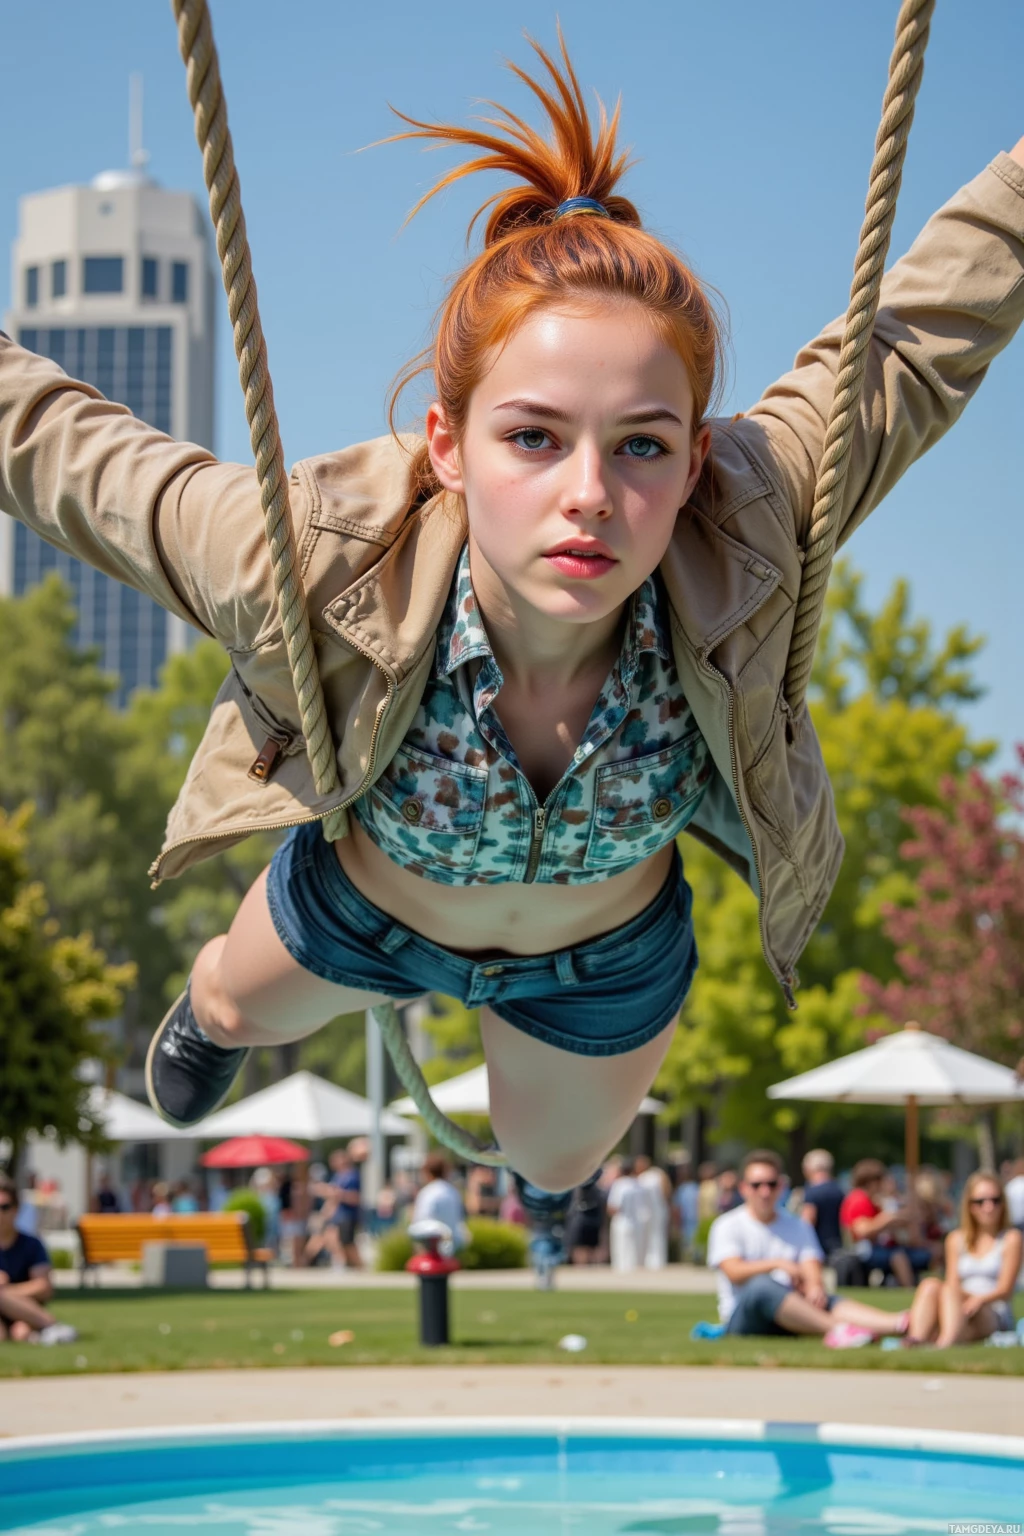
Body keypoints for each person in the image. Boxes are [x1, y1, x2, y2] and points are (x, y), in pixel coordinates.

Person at [3, 42, 1023, 1212]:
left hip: (603, 960)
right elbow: (68, 454)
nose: (589, 491)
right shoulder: (302, 554)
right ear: (448, 444)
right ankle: (218, 1005)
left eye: (641, 444)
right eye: (534, 437)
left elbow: (918, 339)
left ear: (695, 460)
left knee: (553, 1167)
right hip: (368, 910)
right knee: (236, 1006)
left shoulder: (759, 514)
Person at [707, 1152, 907, 1346]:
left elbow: (811, 1262)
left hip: (795, 1313)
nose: (765, 1191)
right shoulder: (727, 1225)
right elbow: (734, 1271)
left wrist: (814, 1286)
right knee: (762, 1287)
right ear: (743, 1188)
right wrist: (779, 1264)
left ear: (781, 1186)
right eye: (757, 1185)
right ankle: (841, 1330)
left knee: (824, 1298)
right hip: (746, 1319)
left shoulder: (797, 1225)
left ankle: (900, 1324)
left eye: (771, 1184)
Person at [905, 1172, 1023, 1348]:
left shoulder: (1011, 1238)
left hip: (993, 1310)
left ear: (1003, 1204)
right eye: (980, 1202)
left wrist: (978, 1300)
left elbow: (1005, 1290)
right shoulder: (956, 1239)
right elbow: (952, 1283)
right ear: (970, 1205)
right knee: (931, 1285)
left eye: (995, 1200)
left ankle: (945, 1345)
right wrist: (965, 1300)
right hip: (959, 1303)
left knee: (949, 1292)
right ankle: (915, 1339)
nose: (988, 1207)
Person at [0, 1176, 77, 1345]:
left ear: (16, 1209)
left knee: (21, 1332)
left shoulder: (31, 1245)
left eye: (4, 1207)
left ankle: (50, 1326)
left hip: (26, 1311)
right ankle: (51, 1327)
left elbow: (44, 1286)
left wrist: (6, 1292)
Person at [839, 1159, 931, 1287]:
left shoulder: (872, 1200)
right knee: (897, 1256)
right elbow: (862, 1230)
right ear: (872, 1182)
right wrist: (887, 1219)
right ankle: (909, 1290)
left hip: (876, 1246)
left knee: (919, 1252)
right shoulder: (859, 1199)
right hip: (862, 1249)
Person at [412, 1152, 469, 1251]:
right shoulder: (453, 1192)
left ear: (427, 1172)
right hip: (453, 1246)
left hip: (432, 1248)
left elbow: (421, 1222)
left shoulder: (427, 1192)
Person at [799, 1149, 845, 1264]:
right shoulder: (839, 1190)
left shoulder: (811, 1192)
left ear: (809, 1169)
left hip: (818, 1247)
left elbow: (807, 1222)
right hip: (838, 1246)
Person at [607, 1157, 645, 1272]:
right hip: (636, 1220)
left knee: (620, 1250)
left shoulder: (619, 1184)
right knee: (633, 1250)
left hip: (621, 1220)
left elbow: (614, 1205)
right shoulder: (638, 1184)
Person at [634, 1154, 672, 1270]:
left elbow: (666, 1191)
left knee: (657, 1236)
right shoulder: (643, 1177)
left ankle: (657, 1261)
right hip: (649, 1212)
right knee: (649, 1236)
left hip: (656, 1210)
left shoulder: (655, 1174)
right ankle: (649, 1261)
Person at [672, 1158, 701, 1262]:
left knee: (692, 1244)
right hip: (688, 1220)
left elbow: (677, 1208)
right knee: (690, 1244)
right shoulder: (692, 1188)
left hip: (692, 1220)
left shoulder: (690, 1188)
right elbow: (677, 1208)